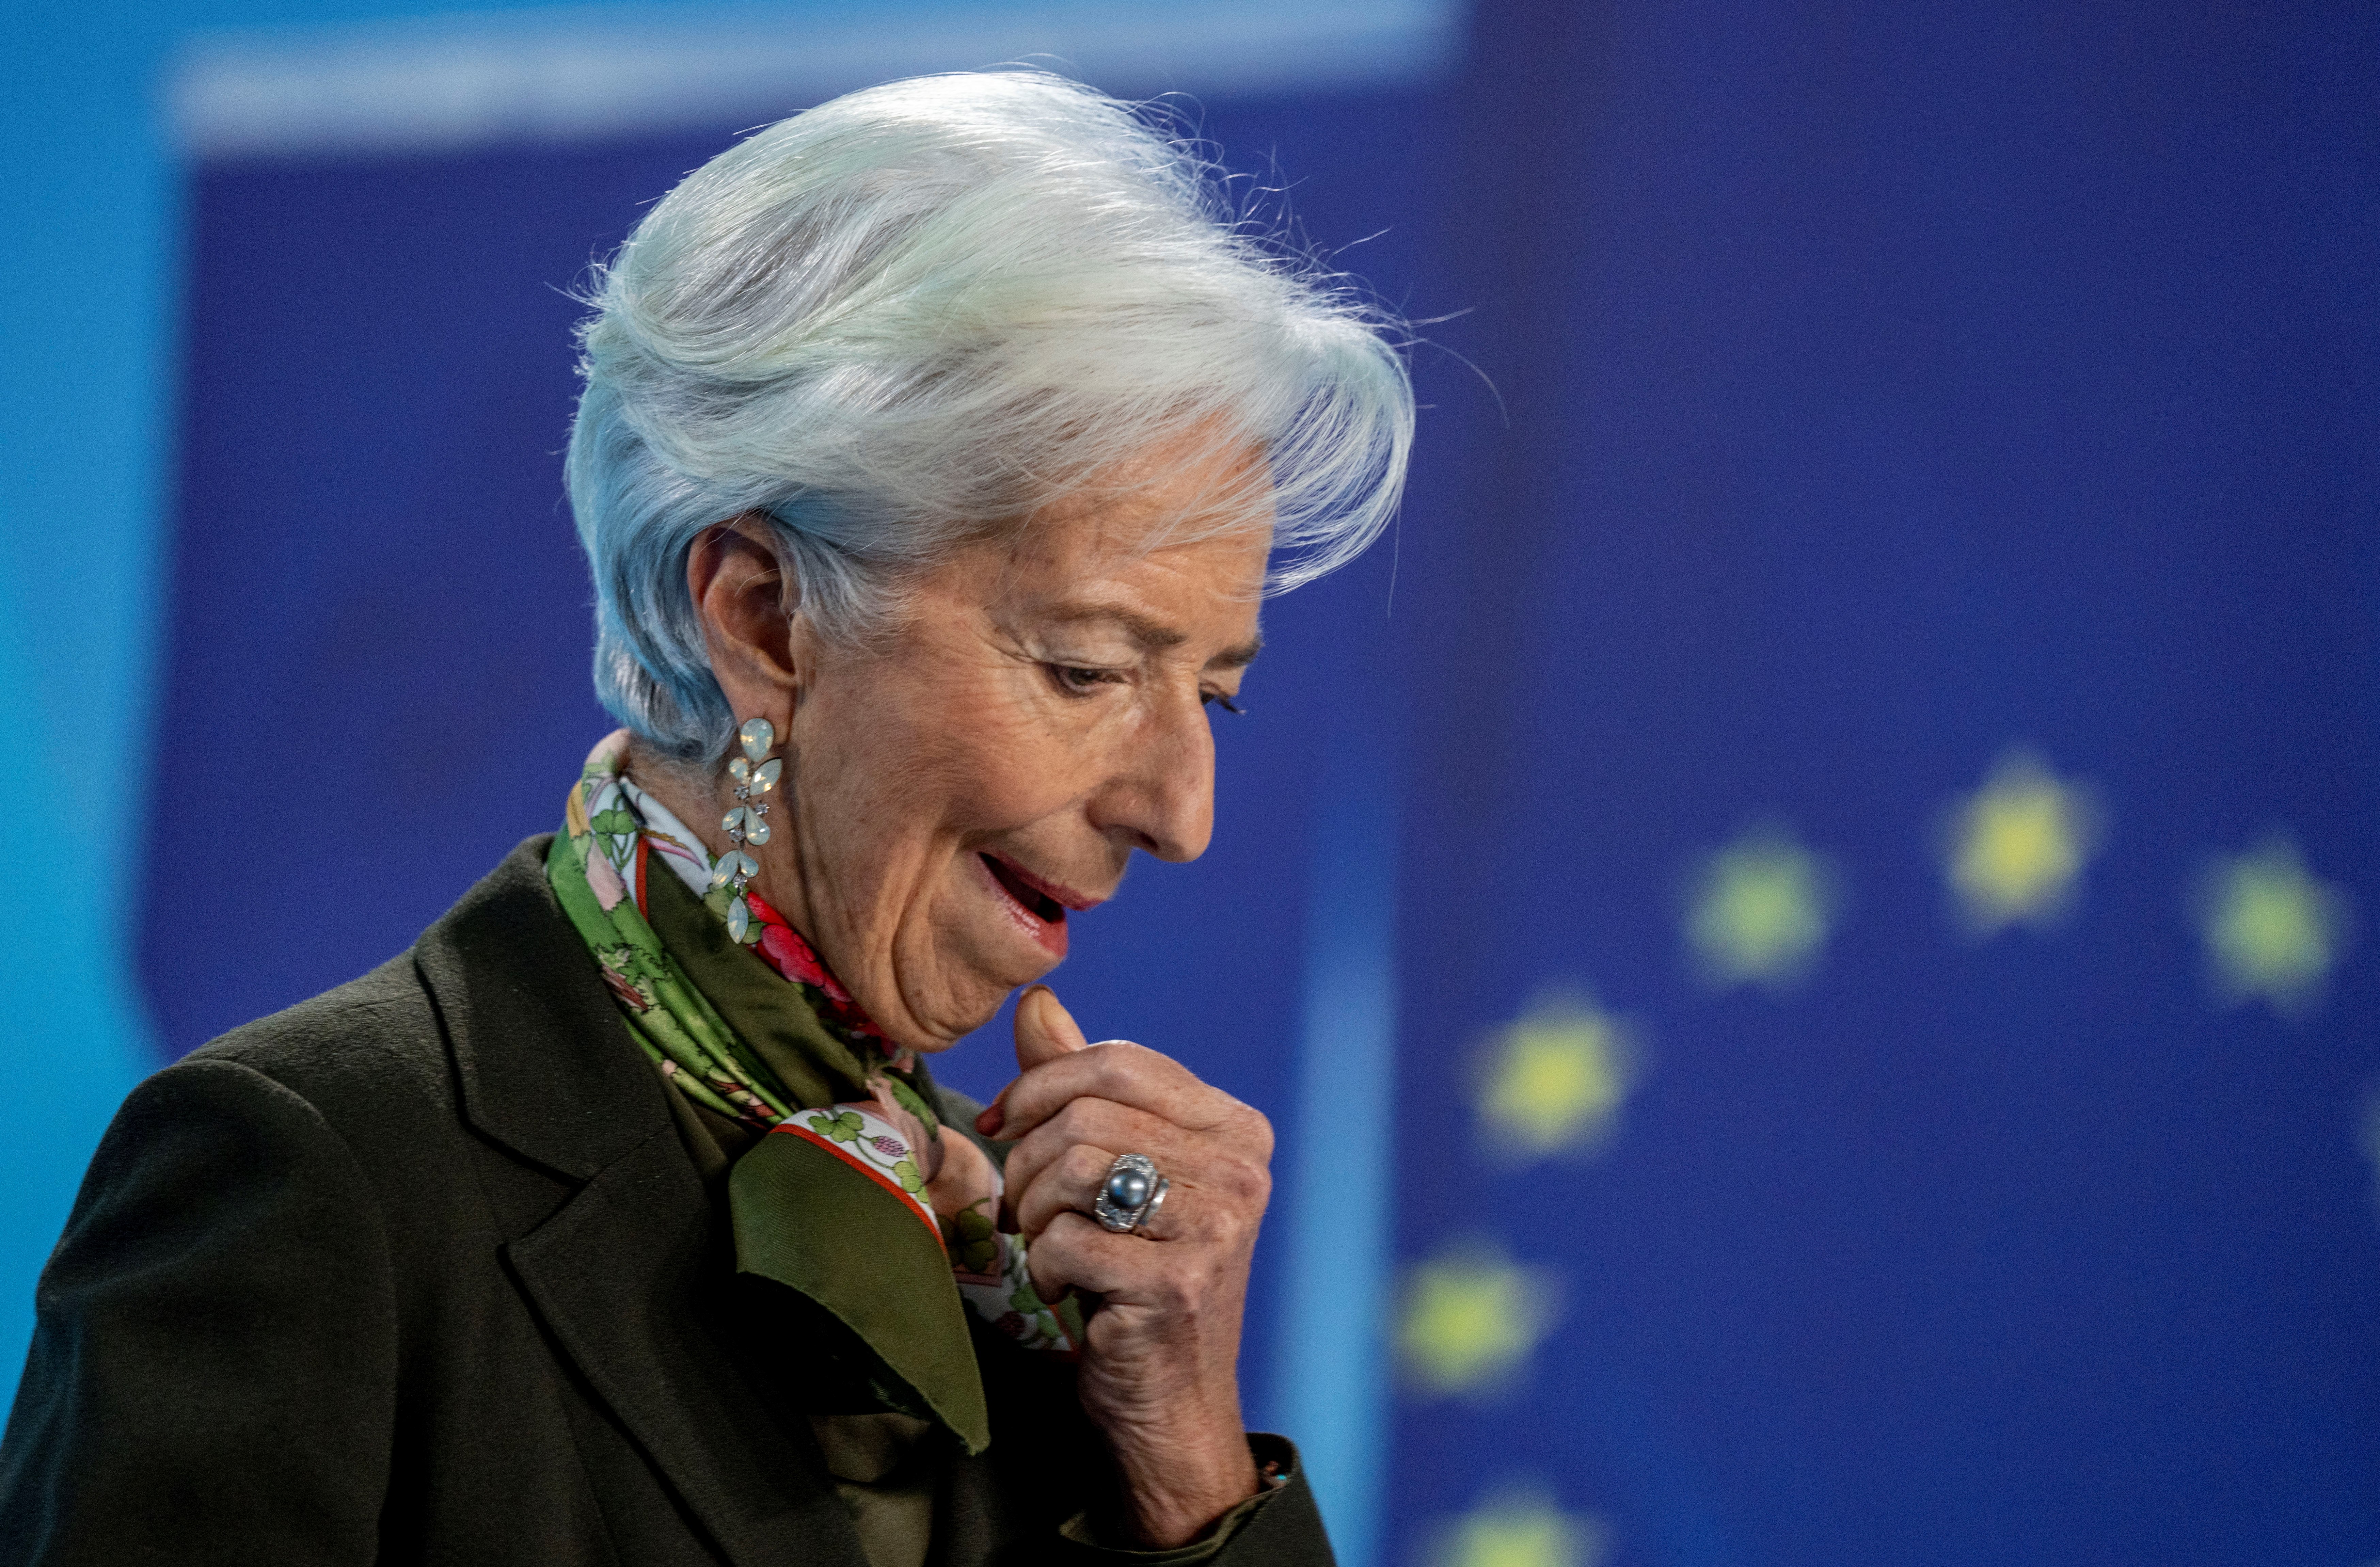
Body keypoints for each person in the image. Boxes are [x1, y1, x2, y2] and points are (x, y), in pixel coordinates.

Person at [0, 70, 1410, 1566]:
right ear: (762, 618)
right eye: (1086, 666)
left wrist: (1188, 1466)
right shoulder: (317, 1175)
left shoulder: (1046, 1271)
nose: (1180, 810)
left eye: (1217, 693)